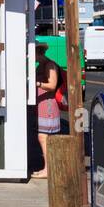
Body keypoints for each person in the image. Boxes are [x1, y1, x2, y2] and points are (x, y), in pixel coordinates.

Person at [32, 42, 61, 179]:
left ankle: (48, 169)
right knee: (44, 137)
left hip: (48, 104)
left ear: (38, 52)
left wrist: (37, 83)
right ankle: (47, 168)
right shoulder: (41, 66)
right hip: (42, 104)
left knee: (44, 137)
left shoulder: (49, 65)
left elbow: (52, 85)